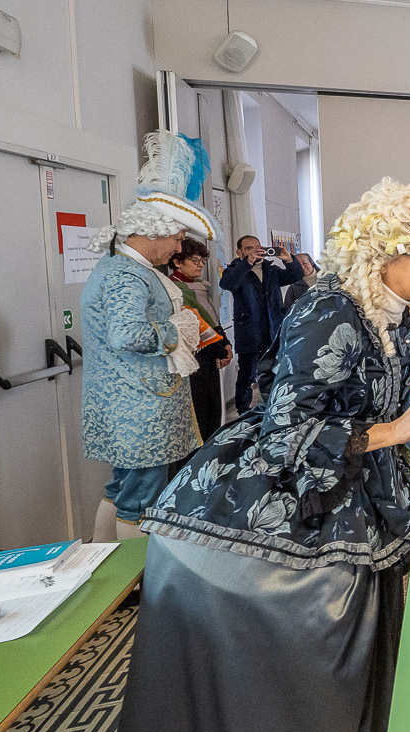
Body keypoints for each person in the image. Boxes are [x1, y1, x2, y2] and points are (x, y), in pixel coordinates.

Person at [97, 178, 410, 732]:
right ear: (379, 250)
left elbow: (368, 396)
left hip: (357, 501)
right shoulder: (331, 310)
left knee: (357, 679)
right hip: (285, 519)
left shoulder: (388, 309)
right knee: (307, 698)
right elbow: (286, 435)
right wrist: (394, 430)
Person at [82, 130, 215, 542]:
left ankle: (103, 565)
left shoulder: (125, 269)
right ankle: (136, 584)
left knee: (121, 489)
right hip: (136, 405)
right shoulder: (127, 274)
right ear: (153, 232)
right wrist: (176, 332)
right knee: (141, 499)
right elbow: (127, 334)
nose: (177, 248)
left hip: (129, 400)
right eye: (176, 238)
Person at [220, 234, 305, 413]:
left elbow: (296, 275)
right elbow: (228, 283)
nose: (255, 252)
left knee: (276, 372)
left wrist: (289, 259)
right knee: (247, 375)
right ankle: (243, 411)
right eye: (249, 249)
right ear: (239, 252)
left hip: (273, 330)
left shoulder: (271, 270)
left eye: (257, 247)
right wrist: (247, 263)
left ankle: (275, 407)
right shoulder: (235, 270)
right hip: (249, 332)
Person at [167, 237, 233, 445]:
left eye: (202, 261)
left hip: (211, 354)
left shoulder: (199, 286)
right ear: (177, 261)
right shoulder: (175, 289)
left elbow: (212, 319)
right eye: (195, 260)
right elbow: (195, 325)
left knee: (213, 413)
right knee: (201, 417)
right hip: (196, 360)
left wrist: (226, 343)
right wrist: (220, 350)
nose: (200, 265)